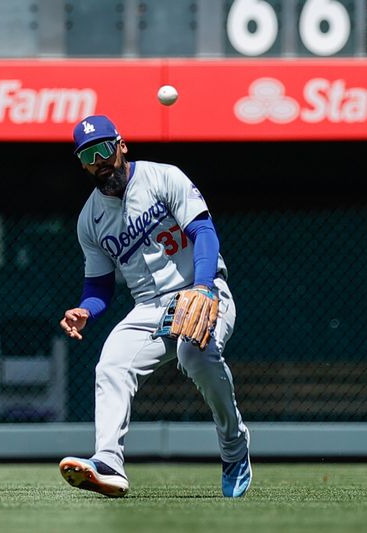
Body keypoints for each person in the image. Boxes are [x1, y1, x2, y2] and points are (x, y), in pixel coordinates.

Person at [57, 115, 251, 498]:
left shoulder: (163, 177)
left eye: (103, 149)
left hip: (204, 288)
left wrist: (203, 287)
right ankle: (109, 462)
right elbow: (99, 286)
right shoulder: (89, 220)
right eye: (87, 156)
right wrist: (85, 310)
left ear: (121, 145)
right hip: (149, 307)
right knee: (111, 362)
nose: (99, 161)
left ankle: (234, 447)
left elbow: (204, 232)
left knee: (193, 353)